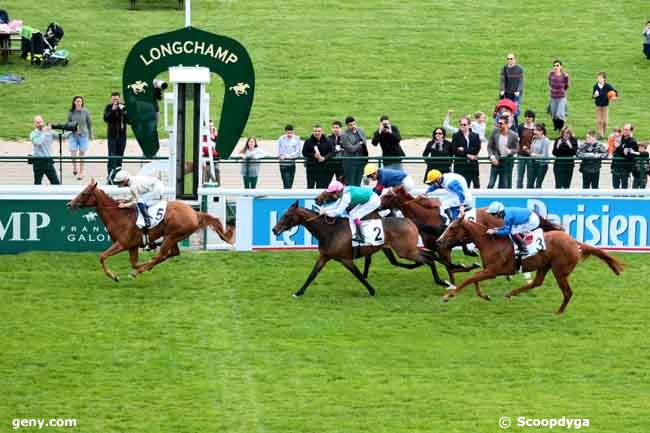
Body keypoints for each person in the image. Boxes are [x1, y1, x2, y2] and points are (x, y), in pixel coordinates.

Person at [113, 168, 165, 249]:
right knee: (141, 199)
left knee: (141, 201)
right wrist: (125, 200)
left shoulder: (133, 185)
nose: (119, 185)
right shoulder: (133, 181)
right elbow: (135, 194)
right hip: (155, 187)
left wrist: (125, 205)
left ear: (126, 180)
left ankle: (147, 220)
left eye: (120, 182)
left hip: (156, 189)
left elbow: (136, 201)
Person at [487, 115, 519, 188]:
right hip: (495, 161)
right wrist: (492, 157)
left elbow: (517, 149)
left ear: (506, 124)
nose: (499, 125)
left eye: (501, 123)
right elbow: (489, 146)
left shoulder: (513, 135)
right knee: (491, 184)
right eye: (499, 123)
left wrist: (510, 151)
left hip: (506, 162)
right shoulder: (495, 132)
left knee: (504, 184)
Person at [103, 91, 128, 182]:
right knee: (112, 156)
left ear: (119, 99)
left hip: (122, 136)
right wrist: (113, 110)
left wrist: (125, 112)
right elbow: (106, 118)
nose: (116, 101)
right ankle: (110, 176)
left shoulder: (123, 107)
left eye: (117, 99)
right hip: (112, 136)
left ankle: (118, 177)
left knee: (120, 157)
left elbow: (129, 120)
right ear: (111, 99)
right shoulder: (108, 107)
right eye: (114, 99)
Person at [450, 116, 482, 188]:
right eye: (461, 124)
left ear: (469, 125)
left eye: (464, 124)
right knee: (462, 186)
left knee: (476, 185)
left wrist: (464, 149)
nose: (462, 126)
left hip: (473, 165)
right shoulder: (456, 136)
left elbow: (477, 148)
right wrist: (467, 155)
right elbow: (454, 150)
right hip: (460, 166)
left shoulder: (475, 135)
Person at [67, 95, 93, 180]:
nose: (78, 103)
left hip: (83, 135)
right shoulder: (71, 112)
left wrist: (91, 134)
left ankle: (81, 172)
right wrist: (71, 130)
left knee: (82, 153)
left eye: (80, 101)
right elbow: (68, 123)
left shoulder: (86, 112)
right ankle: (75, 167)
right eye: (77, 101)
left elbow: (89, 123)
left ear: (82, 102)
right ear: (74, 102)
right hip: (73, 135)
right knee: (73, 152)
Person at [29, 115, 60, 185]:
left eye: (40, 122)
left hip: (48, 161)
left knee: (56, 183)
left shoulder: (50, 132)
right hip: (38, 162)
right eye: (37, 122)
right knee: (37, 183)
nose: (40, 124)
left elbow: (61, 136)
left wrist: (72, 131)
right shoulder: (32, 134)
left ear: (43, 122)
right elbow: (38, 142)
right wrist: (44, 132)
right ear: (34, 124)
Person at [341, 116, 368, 186]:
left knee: (358, 182)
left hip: (361, 161)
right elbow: (351, 149)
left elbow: (365, 142)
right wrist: (359, 143)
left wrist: (360, 144)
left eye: (354, 124)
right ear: (347, 126)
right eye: (350, 125)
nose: (353, 126)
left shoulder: (360, 130)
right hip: (350, 163)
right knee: (351, 183)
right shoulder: (344, 135)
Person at [302, 124, 331, 188]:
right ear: (313, 132)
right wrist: (313, 155)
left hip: (323, 168)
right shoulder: (308, 141)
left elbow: (332, 152)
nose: (317, 133)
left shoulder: (327, 141)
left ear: (322, 131)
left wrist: (324, 158)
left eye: (319, 131)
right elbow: (304, 152)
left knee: (321, 187)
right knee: (310, 186)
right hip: (311, 168)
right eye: (315, 131)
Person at [499, 53, 524, 124]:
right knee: (506, 110)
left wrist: (518, 90)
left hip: (516, 94)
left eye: (511, 59)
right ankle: (506, 125)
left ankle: (515, 126)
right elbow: (502, 80)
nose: (509, 60)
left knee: (515, 111)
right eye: (508, 59)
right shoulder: (504, 69)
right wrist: (502, 90)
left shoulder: (519, 69)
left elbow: (521, 81)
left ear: (515, 60)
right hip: (507, 93)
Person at [611, 123, 638, 189]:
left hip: (625, 169)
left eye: (626, 130)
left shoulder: (632, 142)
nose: (624, 131)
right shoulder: (620, 138)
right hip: (616, 167)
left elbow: (629, 155)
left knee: (624, 189)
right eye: (624, 129)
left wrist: (618, 147)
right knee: (615, 187)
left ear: (631, 131)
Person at [592, 72, 618, 138]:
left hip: (605, 106)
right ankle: (600, 134)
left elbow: (614, 91)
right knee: (599, 121)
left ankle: (603, 133)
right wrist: (594, 95)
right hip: (598, 106)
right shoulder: (595, 86)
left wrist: (614, 97)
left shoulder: (607, 86)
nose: (599, 79)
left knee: (605, 121)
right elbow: (593, 96)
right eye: (598, 78)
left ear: (604, 79)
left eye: (600, 78)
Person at [548, 60, 570, 132]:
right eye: (554, 65)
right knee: (554, 114)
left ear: (561, 66)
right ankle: (556, 127)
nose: (555, 67)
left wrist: (562, 91)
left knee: (560, 114)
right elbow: (550, 84)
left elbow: (566, 85)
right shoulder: (551, 74)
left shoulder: (564, 76)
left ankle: (561, 129)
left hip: (561, 97)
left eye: (557, 65)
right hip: (553, 97)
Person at [528, 123, 552, 188]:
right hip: (533, 163)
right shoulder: (534, 139)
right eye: (534, 130)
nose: (534, 132)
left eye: (536, 130)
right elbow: (532, 151)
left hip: (541, 165)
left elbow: (544, 155)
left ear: (541, 131)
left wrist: (535, 155)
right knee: (529, 183)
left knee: (538, 184)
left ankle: (537, 197)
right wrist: (528, 151)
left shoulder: (545, 140)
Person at [516, 110, 536, 188]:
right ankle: (519, 191)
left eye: (529, 116)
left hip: (531, 155)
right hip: (521, 154)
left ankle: (529, 191)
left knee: (530, 176)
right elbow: (518, 139)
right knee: (520, 175)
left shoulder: (535, 127)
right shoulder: (521, 126)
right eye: (526, 116)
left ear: (533, 118)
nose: (527, 118)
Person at [277, 124, 301, 189]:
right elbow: (279, 151)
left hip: (292, 164)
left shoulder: (297, 139)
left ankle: (287, 197)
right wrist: (281, 155)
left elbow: (298, 152)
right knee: (286, 183)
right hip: (283, 164)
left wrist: (287, 156)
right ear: (285, 132)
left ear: (293, 132)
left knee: (290, 183)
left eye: (291, 132)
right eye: (288, 133)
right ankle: (286, 197)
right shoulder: (281, 139)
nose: (289, 134)